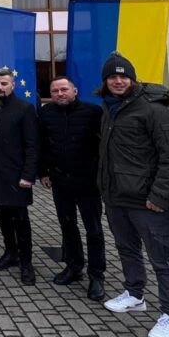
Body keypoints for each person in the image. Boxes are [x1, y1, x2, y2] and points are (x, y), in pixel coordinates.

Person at [97, 52, 169, 337]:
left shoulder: (154, 110)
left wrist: (160, 197)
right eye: (112, 76)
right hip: (117, 197)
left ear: (133, 80)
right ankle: (135, 294)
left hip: (148, 202)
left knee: (164, 259)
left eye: (123, 76)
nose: (118, 81)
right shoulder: (110, 108)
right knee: (127, 249)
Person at [38, 75, 107, 302]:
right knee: (68, 227)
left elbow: (103, 147)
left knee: (94, 230)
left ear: (74, 91)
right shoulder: (46, 114)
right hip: (61, 181)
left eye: (64, 90)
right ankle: (74, 266)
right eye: (55, 90)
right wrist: (44, 172)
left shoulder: (93, 112)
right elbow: (43, 145)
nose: (60, 94)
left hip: (88, 184)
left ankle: (96, 275)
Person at [0, 69, 39, 284]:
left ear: (12, 85)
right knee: (2, 216)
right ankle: (10, 253)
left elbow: (32, 145)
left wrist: (28, 175)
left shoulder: (25, 109)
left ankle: (26, 262)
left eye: (4, 83)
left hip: (17, 176)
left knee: (20, 220)